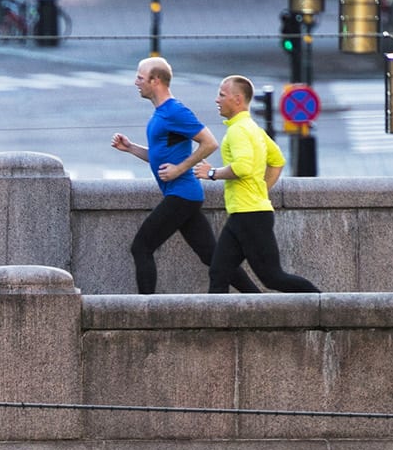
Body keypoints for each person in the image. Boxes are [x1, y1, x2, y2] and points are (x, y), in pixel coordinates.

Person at [109, 57, 258, 294]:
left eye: (140, 77)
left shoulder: (175, 111)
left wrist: (179, 169)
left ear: (155, 80)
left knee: (141, 247)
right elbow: (160, 157)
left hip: (182, 195)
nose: (136, 82)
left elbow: (209, 143)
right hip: (184, 195)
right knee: (211, 256)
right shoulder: (161, 114)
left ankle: (147, 312)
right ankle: (258, 300)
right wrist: (130, 148)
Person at [193, 75, 322, 294]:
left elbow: (242, 167)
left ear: (237, 99)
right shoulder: (251, 127)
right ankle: (221, 326)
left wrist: (211, 173)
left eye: (222, 95)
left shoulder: (238, 131)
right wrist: (260, 190)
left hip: (250, 215)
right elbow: (277, 161)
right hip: (244, 213)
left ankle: (323, 305)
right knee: (219, 273)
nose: (217, 100)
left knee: (273, 277)